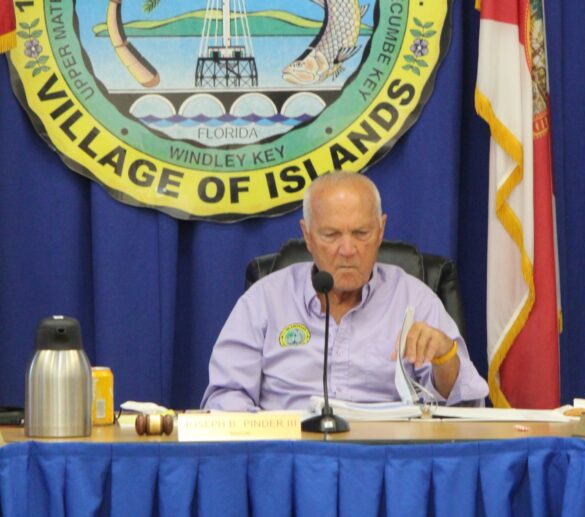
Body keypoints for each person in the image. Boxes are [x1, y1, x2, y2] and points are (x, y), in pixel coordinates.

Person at [201, 172, 488, 410]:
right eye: (332, 235)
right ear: (308, 236)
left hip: (384, 462)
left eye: (361, 233)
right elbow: (225, 397)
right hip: (289, 461)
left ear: (380, 230)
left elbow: (464, 405)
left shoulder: (416, 299)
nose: (348, 250)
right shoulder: (264, 300)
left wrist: (444, 356)